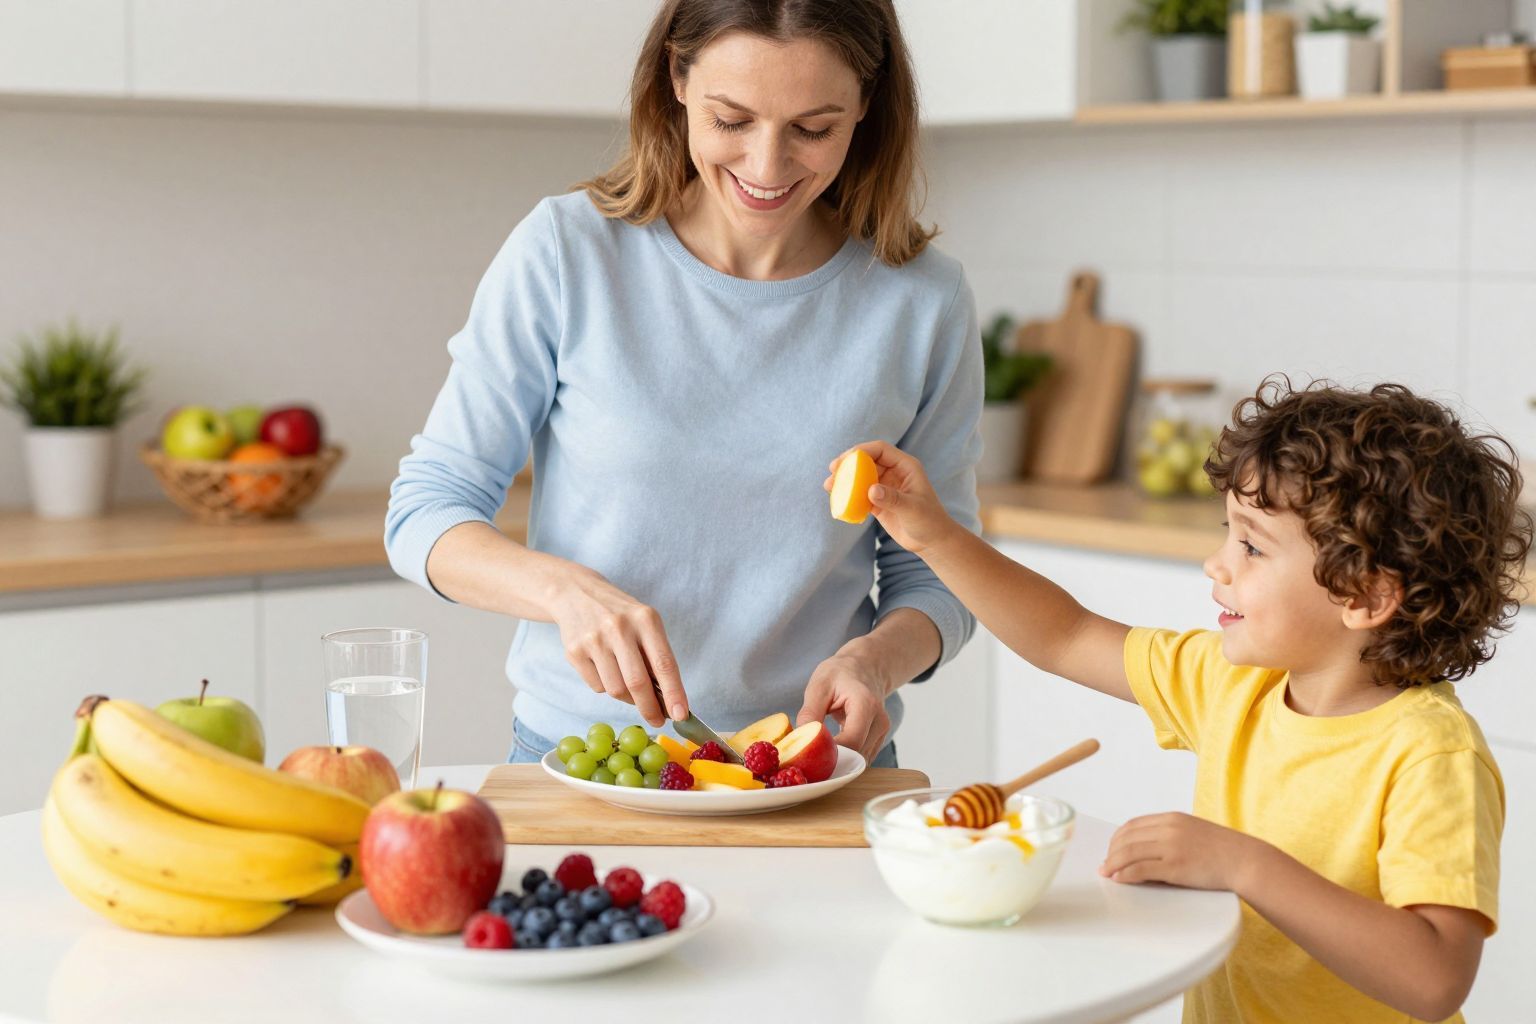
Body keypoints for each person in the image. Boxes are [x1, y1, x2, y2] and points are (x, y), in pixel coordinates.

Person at [385, 0, 983, 768]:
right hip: (586, 761)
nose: (767, 168)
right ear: (676, 75)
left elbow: (940, 572)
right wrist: (563, 594)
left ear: (867, 105)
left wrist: (878, 661)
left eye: (813, 128)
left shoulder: (922, 301)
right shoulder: (569, 253)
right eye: (732, 119)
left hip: (811, 767)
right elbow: (425, 512)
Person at [841, 377, 1527, 1023]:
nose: (1217, 563)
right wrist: (934, 536)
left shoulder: (1432, 755)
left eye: (1252, 548)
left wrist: (1240, 863)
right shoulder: (1238, 686)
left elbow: (1435, 977)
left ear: (1366, 596)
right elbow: (1064, 634)